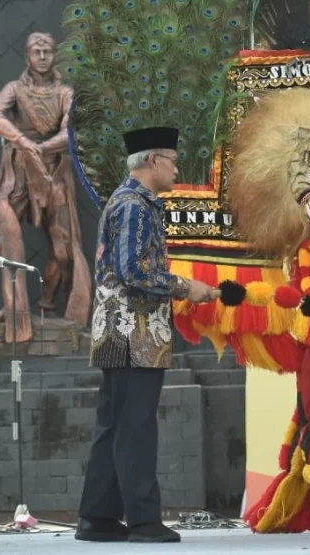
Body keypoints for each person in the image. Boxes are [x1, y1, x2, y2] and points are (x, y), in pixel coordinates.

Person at [76, 126, 218, 544]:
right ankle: (142, 520)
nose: (176, 169)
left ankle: (98, 517)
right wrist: (184, 287)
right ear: (153, 161)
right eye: (172, 161)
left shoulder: (127, 202)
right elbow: (133, 271)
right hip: (132, 334)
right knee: (135, 426)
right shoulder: (135, 205)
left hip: (120, 333)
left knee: (114, 425)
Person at [0, 32, 91, 343]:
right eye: (36, 51)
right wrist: (23, 142)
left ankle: (46, 307)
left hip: (54, 173)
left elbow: (71, 131)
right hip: (20, 171)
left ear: (54, 56)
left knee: (63, 250)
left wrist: (43, 148)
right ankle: (13, 310)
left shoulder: (65, 93)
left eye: (47, 51)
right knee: (5, 238)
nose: (41, 57)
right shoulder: (14, 90)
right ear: (27, 56)